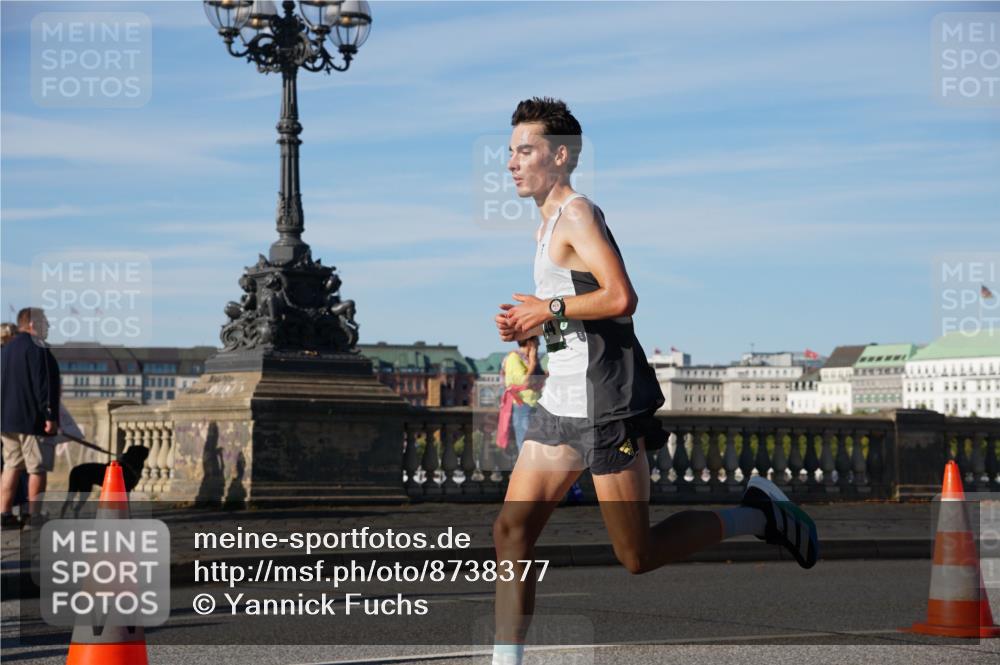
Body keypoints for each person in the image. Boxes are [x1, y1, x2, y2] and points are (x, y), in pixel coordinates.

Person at [490, 98, 819, 665]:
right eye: (511, 151)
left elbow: (621, 298)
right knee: (511, 532)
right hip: (560, 404)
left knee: (636, 554)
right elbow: (576, 311)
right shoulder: (546, 223)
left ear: (561, 155)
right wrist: (532, 323)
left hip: (604, 404)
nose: (512, 162)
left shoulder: (577, 215)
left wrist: (548, 308)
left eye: (526, 150)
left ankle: (759, 515)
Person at [1, 307, 61, 529]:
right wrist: (50, 416)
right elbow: (45, 386)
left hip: (6, 421)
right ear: (33, 324)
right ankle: (34, 517)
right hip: (30, 420)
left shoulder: (5, 350)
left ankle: (4, 515)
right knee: (36, 468)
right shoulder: (38, 349)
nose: (48, 326)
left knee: (11, 466)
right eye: (45, 322)